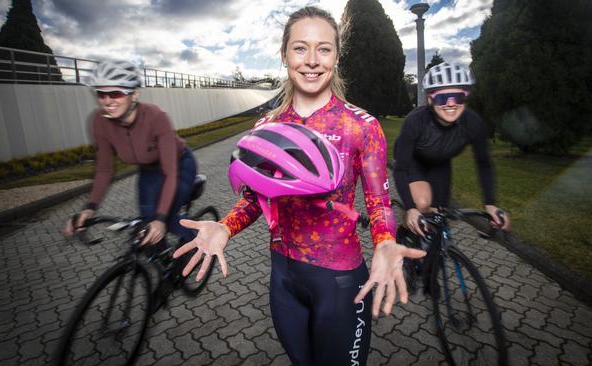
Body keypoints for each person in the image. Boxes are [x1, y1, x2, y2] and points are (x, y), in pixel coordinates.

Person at [173, 6, 425, 366]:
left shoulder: (361, 126)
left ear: (337, 56)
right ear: (284, 54)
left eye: (323, 48)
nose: (311, 60)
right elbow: (254, 200)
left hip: (340, 283)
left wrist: (385, 243)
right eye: (300, 48)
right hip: (284, 281)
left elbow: (378, 200)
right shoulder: (267, 126)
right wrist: (225, 227)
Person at [63, 60, 198, 253]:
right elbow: (103, 170)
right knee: (146, 226)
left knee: (163, 218)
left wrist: (160, 220)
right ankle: (163, 264)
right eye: (101, 94)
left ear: (134, 94)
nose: (107, 101)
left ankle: (196, 240)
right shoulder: (99, 122)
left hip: (178, 166)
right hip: (148, 171)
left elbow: (170, 173)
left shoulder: (156, 117)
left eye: (116, 93)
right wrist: (89, 208)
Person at [393, 62, 510, 237]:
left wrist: (490, 204)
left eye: (458, 97)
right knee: (423, 203)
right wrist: (410, 209)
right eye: (442, 98)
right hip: (413, 160)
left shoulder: (473, 123)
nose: (451, 104)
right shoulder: (415, 121)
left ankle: (433, 257)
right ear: (431, 98)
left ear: (466, 97)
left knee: (440, 215)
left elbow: (484, 164)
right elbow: (400, 169)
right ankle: (402, 235)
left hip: (440, 163)